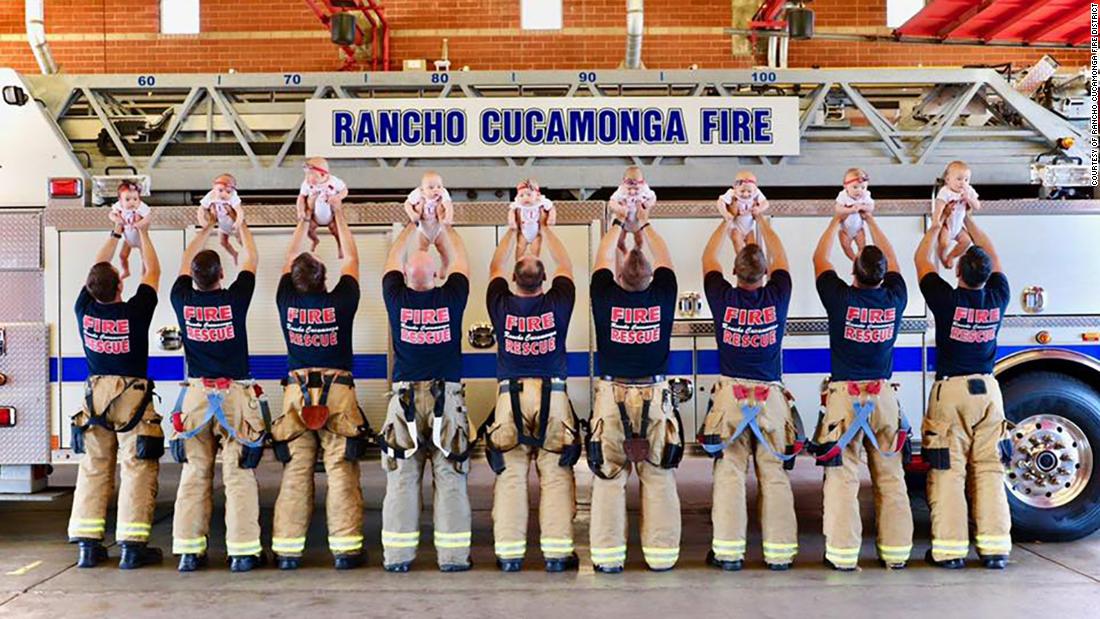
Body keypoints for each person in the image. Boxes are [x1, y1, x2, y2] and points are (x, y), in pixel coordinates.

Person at [270, 202, 370, 570]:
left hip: (296, 396)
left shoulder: (286, 300)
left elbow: (288, 260)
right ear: (324, 279)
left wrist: (304, 223)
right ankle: (345, 550)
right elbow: (352, 261)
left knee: (296, 470)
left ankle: (287, 551)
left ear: (294, 281)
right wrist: (338, 219)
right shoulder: (342, 301)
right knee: (341, 468)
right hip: (338, 393)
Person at [812, 211, 913, 571]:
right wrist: (870, 222)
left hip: (845, 399)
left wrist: (834, 220)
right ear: (884, 276)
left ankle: (842, 556)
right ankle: (897, 554)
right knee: (890, 476)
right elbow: (895, 261)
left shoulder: (839, 298)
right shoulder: (896, 297)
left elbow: (819, 259)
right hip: (884, 397)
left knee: (843, 478)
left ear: (852, 274)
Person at [699, 212, 800, 571]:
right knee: (773, 474)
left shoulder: (721, 296)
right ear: (765, 274)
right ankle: (780, 554)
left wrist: (727, 224)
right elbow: (782, 258)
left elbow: (707, 259)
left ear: (735, 272)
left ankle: (728, 553)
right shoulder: (779, 294)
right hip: (770, 398)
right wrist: (761, 219)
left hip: (731, 397)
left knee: (729, 473)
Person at [586, 205, 684, 573]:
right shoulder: (664, 292)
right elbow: (665, 258)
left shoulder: (604, 295)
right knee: (659, 476)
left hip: (612, 399)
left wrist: (618, 223)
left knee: (609, 478)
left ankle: (608, 559)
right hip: (655, 398)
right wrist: (641, 224)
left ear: (619, 274)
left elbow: (601, 257)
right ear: (651, 276)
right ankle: (661, 557)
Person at [169, 210, 265, 573]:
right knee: (238, 472)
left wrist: (206, 226)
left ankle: (189, 553)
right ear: (222, 276)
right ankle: (242, 553)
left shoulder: (182, 299)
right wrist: (239, 225)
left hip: (195, 397)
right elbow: (251, 259)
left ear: (192, 278)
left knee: (195, 471)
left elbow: (182, 262)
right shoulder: (235, 299)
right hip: (235, 398)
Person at [916, 213, 1012, 570]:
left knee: (948, 471)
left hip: (951, 394)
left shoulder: (945, 300)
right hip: (988, 393)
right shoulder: (999, 296)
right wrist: (968, 220)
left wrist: (938, 225)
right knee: (990, 470)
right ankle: (995, 549)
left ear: (957, 273)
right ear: (987, 276)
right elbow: (994, 255)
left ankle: (950, 550)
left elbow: (922, 261)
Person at [68, 213, 163, 569]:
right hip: (132, 399)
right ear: (120, 287)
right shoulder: (136, 312)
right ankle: (132, 546)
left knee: (93, 466)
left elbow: (97, 267)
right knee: (136, 466)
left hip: (94, 399)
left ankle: (88, 547)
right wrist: (142, 235)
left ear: (91, 288)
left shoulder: (83, 309)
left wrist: (115, 233)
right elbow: (151, 272)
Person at [483, 224, 580, 573]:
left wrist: (514, 233)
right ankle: (556, 555)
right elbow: (566, 265)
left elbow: (495, 267)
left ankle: (509, 554)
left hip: (509, 399)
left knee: (510, 475)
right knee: (554, 474)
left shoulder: (500, 303)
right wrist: (546, 230)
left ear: (512, 279)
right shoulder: (559, 302)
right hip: (553, 397)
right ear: (545, 280)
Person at [378, 222, 472, 572]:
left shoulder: (395, 297)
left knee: (402, 478)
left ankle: (398, 557)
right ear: (439, 273)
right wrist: (442, 228)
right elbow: (459, 257)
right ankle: (453, 558)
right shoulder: (453, 296)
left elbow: (392, 258)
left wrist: (413, 228)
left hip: (403, 400)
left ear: (405, 275)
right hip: (446, 397)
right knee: (450, 476)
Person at [403, 171, 456, 274]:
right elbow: (407, 204)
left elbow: (449, 206)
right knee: (421, 250)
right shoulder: (418, 193)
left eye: (439, 186)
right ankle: (421, 271)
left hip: (438, 228)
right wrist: (413, 214)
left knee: (443, 250)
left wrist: (448, 219)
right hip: (424, 228)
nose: (436, 190)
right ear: (422, 189)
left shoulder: (443, 193)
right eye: (431, 188)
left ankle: (444, 266)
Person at [297, 157, 348, 259]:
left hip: (331, 216)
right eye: (306, 174)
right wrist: (300, 210)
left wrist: (337, 197)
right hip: (315, 217)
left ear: (323, 174)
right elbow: (301, 197)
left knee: (337, 232)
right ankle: (315, 240)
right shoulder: (307, 184)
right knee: (308, 229)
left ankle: (340, 245)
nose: (307, 178)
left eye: (310, 175)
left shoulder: (333, 182)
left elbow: (344, 190)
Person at [934, 160, 981, 268]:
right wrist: (936, 221)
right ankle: (942, 257)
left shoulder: (968, 191)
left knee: (967, 241)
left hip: (959, 226)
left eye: (966, 180)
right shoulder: (945, 191)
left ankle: (951, 256)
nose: (962, 183)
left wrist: (969, 199)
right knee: (944, 243)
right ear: (948, 180)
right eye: (959, 179)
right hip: (947, 225)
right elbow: (939, 207)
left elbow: (977, 206)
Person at [108, 180, 151, 280]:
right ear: (120, 200)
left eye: (135, 199)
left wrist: (138, 224)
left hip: (140, 239)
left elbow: (148, 217)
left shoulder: (140, 207)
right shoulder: (119, 207)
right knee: (122, 256)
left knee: (145, 258)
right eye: (127, 199)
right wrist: (116, 219)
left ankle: (144, 275)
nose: (132, 202)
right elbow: (110, 214)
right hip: (127, 238)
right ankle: (126, 271)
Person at [199, 173, 244, 264]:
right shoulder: (211, 196)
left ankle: (245, 253)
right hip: (223, 223)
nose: (224, 194)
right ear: (214, 188)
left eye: (228, 192)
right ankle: (234, 254)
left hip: (232, 221)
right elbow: (201, 209)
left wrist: (237, 223)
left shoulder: (233, 197)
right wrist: (202, 221)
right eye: (220, 190)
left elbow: (240, 211)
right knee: (223, 242)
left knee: (240, 239)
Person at [715, 171, 769, 247]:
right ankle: (740, 256)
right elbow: (720, 202)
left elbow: (766, 203)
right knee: (736, 239)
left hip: (749, 226)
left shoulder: (756, 193)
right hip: (736, 226)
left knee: (752, 245)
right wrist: (725, 213)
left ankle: (749, 258)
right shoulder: (732, 193)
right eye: (742, 191)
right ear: (735, 187)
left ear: (755, 188)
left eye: (749, 191)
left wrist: (759, 208)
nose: (746, 194)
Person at [508, 178, 556, 257]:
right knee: (520, 247)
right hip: (523, 231)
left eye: (529, 194)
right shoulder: (518, 203)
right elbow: (511, 211)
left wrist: (552, 217)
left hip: (536, 232)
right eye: (521, 195)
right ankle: (518, 263)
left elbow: (551, 208)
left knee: (536, 249)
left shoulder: (541, 202)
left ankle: (534, 261)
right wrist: (511, 221)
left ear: (537, 195)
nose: (525, 198)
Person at [835, 168, 874, 262]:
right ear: (846, 186)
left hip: (858, 229)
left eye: (863, 187)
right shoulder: (843, 196)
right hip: (845, 230)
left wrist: (862, 207)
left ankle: (861, 259)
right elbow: (838, 208)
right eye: (855, 187)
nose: (859, 191)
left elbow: (871, 207)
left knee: (862, 245)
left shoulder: (865, 196)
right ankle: (853, 259)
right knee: (846, 246)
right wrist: (850, 210)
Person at [607, 165, 656, 233]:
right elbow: (611, 202)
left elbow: (653, 197)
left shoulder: (645, 189)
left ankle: (637, 244)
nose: (632, 192)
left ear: (643, 184)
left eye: (636, 189)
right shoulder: (621, 190)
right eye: (629, 189)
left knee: (639, 238)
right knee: (620, 238)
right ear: (623, 184)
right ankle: (622, 244)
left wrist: (648, 204)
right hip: (624, 220)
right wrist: (619, 208)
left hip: (638, 220)